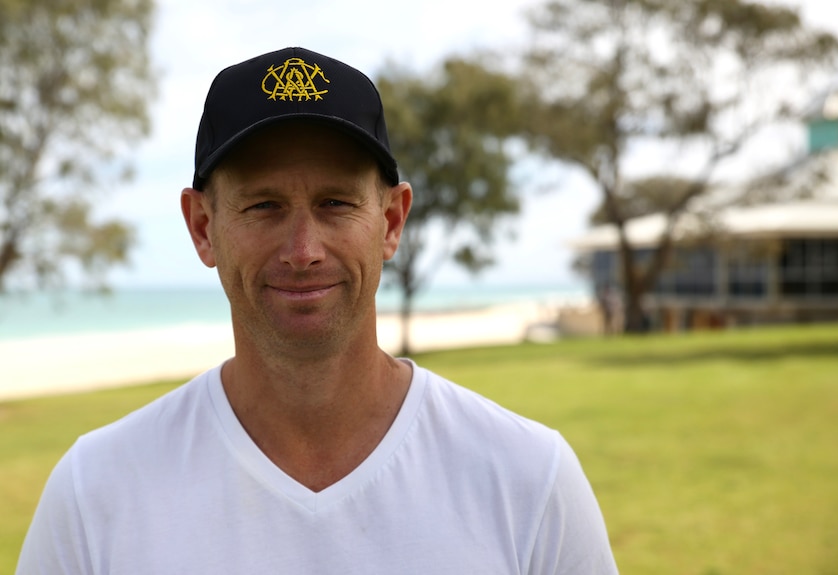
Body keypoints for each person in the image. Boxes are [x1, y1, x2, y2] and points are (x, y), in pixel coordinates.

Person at [16, 47, 618, 574]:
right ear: (203, 227)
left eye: (335, 203)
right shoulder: (97, 492)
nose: (303, 251)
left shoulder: (527, 478)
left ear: (390, 221)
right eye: (263, 206)